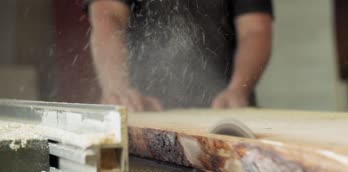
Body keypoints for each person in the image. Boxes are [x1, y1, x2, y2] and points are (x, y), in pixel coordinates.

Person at [84, 0, 273, 111]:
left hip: (224, 110)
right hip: (144, 108)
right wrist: (118, 91)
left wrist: (238, 89)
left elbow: (255, 30)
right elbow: (108, 16)